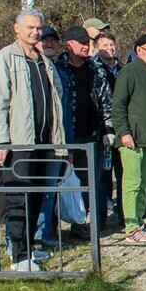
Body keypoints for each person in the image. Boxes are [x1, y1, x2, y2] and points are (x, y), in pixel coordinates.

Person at [0, 8, 66, 271]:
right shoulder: (5, 58)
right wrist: (0, 141)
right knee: (18, 198)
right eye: (30, 27)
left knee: (36, 196)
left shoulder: (43, 59)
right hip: (20, 143)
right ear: (16, 29)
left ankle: (29, 248)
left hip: (44, 141)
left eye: (38, 28)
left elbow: (55, 101)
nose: (35, 32)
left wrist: (59, 141)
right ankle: (18, 255)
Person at [52, 25, 115, 238]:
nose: (87, 47)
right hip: (67, 134)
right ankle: (68, 224)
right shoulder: (56, 67)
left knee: (94, 180)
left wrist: (108, 129)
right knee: (68, 180)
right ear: (69, 44)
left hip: (93, 134)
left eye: (88, 43)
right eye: (82, 43)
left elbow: (106, 100)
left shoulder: (95, 68)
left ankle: (94, 224)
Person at [111, 33, 146, 243]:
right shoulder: (129, 73)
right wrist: (124, 132)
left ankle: (140, 222)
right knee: (132, 183)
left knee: (145, 183)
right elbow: (118, 106)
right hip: (132, 138)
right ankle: (131, 227)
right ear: (138, 50)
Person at [91, 31, 123, 224]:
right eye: (105, 45)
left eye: (112, 45)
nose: (110, 48)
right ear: (96, 48)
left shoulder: (122, 68)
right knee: (102, 175)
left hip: (121, 127)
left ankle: (123, 213)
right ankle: (100, 217)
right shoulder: (93, 68)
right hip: (101, 129)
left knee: (122, 172)